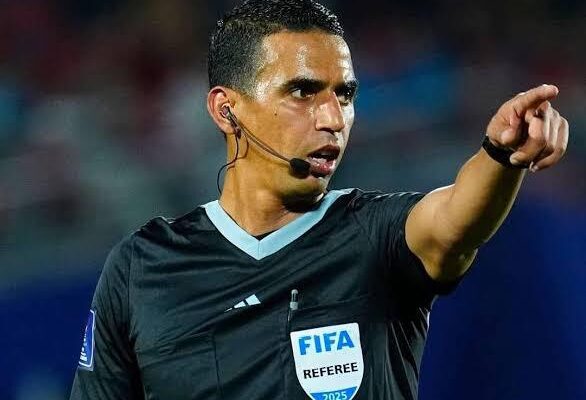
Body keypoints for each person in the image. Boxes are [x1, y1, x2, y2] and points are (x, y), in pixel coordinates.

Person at [69, 0, 569, 399]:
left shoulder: (375, 236)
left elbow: (457, 218)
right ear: (227, 111)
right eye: (303, 92)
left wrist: (501, 155)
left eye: (345, 95)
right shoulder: (142, 268)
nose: (333, 119)